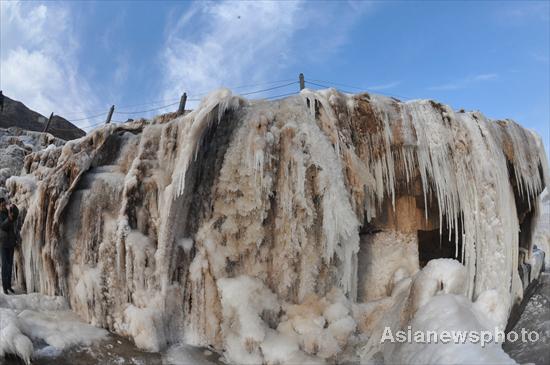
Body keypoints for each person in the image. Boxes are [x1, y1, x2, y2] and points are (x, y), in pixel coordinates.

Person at [0, 197, 19, 294]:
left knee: (10, 265)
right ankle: (4, 286)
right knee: (5, 266)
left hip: (11, 243)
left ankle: (8, 285)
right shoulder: (2, 215)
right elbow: (2, 226)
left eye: (4, 204)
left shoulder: (9, 212)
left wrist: (13, 207)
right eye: (2, 204)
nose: (3, 205)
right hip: (3, 243)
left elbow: (16, 214)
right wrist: (9, 218)